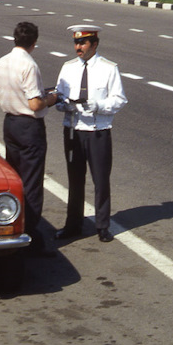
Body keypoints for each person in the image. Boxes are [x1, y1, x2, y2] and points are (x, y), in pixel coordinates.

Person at [0, 22, 59, 256]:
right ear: (34, 43)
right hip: (29, 127)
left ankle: (13, 224)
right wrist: (52, 97)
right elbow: (35, 103)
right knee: (31, 183)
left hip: (10, 125)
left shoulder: (0, 62)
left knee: (15, 179)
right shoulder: (29, 65)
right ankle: (30, 233)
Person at [54, 25, 127, 243]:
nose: (78, 47)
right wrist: (65, 105)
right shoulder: (67, 68)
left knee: (101, 180)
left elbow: (119, 99)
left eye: (83, 43)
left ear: (94, 45)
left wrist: (97, 105)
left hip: (97, 131)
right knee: (75, 180)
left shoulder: (108, 68)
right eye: (76, 43)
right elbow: (58, 97)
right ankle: (73, 224)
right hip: (73, 131)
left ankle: (103, 225)